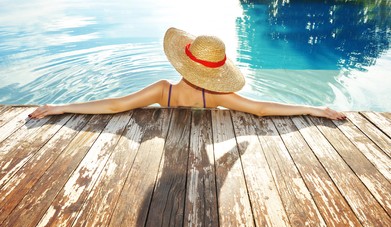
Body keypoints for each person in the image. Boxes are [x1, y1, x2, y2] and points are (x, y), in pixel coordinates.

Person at [29, 27, 346, 120]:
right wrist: (313, 109)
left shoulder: (162, 91)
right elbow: (262, 109)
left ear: (183, 61)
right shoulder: (219, 98)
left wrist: (60, 107)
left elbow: (114, 105)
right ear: (217, 72)